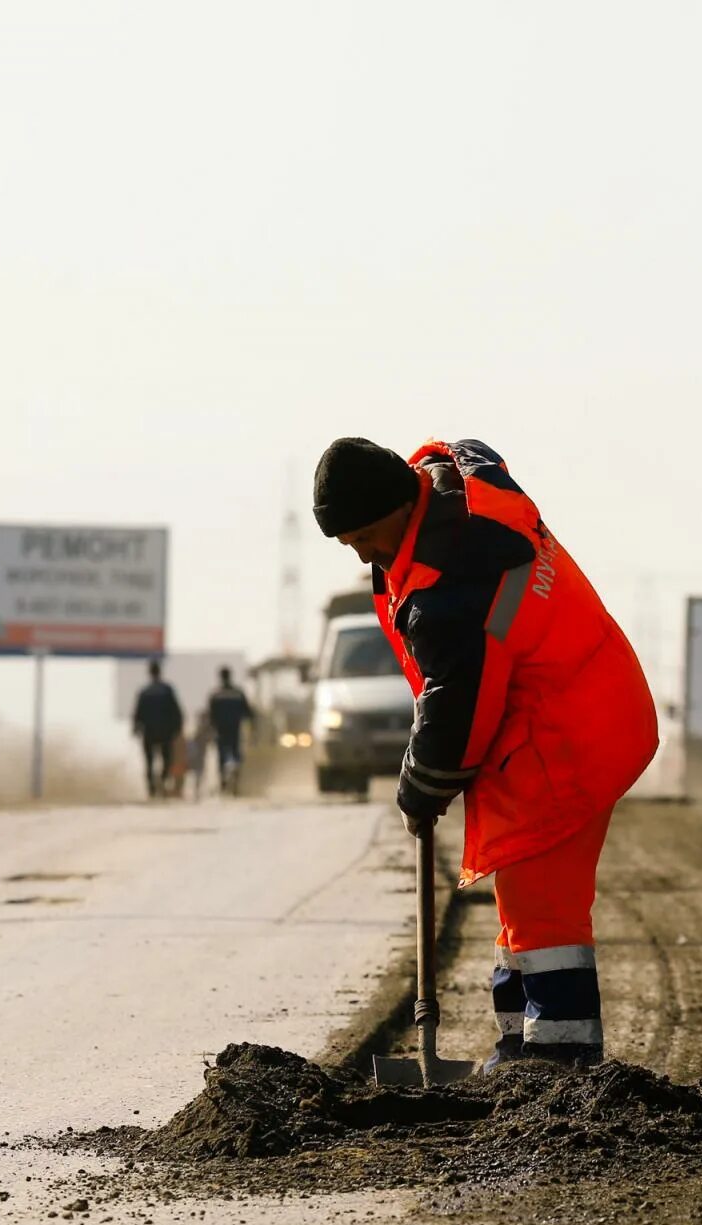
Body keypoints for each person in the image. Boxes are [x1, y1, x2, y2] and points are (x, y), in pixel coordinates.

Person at [313, 436, 658, 1069]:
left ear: (396, 505)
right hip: (584, 701)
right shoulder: (456, 499)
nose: (359, 553)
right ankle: (518, 1057)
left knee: (543, 912)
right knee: (522, 907)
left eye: (361, 535)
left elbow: (461, 707)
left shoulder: (453, 581)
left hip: (563, 735)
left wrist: (421, 786)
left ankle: (559, 1070)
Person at [131, 661, 184, 799]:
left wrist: (135, 728)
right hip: (166, 732)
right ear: (160, 672)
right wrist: (178, 728)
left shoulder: (144, 691)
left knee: (149, 761)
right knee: (167, 760)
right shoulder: (167, 690)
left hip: (149, 732)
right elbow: (176, 711)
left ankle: (152, 789)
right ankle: (162, 779)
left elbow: (137, 713)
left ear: (150, 673)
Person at [206, 668, 254, 797]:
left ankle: (223, 784)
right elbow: (248, 713)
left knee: (221, 758)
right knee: (236, 755)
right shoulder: (238, 693)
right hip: (235, 730)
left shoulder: (215, 695)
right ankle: (236, 783)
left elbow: (210, 717)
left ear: (220, 677)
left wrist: (211, 730)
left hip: (221, 732)